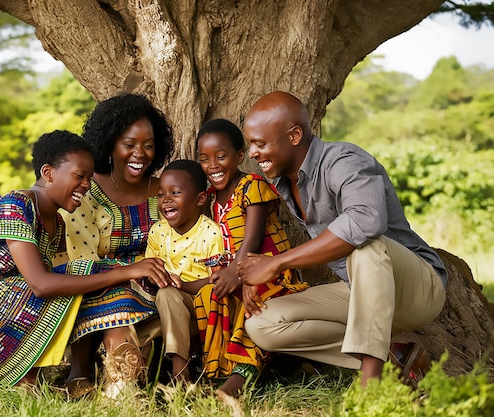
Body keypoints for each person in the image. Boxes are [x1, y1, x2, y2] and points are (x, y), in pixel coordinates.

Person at [0, 130, 169, 396]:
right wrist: (125, 271)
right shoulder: (14, 205)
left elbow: (64, 287)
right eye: (79, 176)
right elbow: (41, 285)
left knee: (87, 281)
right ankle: (29, 379)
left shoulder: (58, 223)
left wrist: (123, 276)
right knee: (82, 274)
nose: (86, 185)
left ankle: (117, 383)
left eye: (88, 177)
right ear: (48, 173)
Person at [237, 91, 447, 387]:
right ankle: (395, 359)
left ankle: (369, 386)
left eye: (260, 143)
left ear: (295, 136)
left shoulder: (344, 160)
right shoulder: (284, 180)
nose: (253, 153)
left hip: (416, 290)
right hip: (359, 290)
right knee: (262, 323)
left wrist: (278, 263)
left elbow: (365, 221)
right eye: (250, 144)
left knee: (366, 246)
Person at [60, 93, 175, 394]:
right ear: (110, 144)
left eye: (149, 146)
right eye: (129, 145)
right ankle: (90, 371)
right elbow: (79, 262)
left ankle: (122, 380)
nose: (140, 154)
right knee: (118, 299)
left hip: (154, 289)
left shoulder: (164, 190)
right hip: (98, 285)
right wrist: (130, 269)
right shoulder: (86, 190)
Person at [193, 119, 308, 398]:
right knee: (210, 296)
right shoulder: (210, 199)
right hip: (238, 270)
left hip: (270, 271)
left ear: (240, 156)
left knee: (255, 301)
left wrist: (239, 273)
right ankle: (216, 371)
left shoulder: (251, 185)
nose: (213, 165)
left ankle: (240, 378)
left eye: (221, 156)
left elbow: (253, 238)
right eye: (204, 159)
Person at [144, 159, 224, 383]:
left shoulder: (210, 233)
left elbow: (216, 280)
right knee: (165, 295)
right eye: (161, 194)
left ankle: (181, 373)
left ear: (200, 199)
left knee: (169, 294)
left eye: (175, 192)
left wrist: (182, 285)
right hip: (166, 304)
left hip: (200, 303)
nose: (166, 200)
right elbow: (151, 268)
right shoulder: (158, 231)